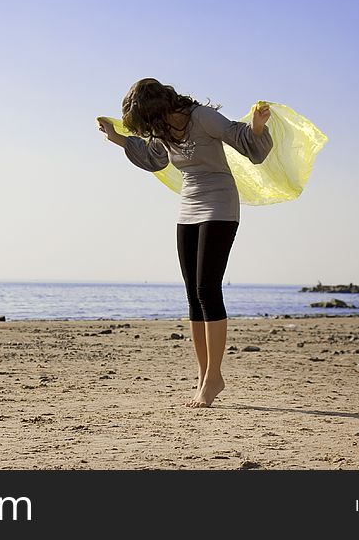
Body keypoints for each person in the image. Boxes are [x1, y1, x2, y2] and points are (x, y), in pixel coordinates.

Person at [97, 78, 273, 408]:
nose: (151, 129)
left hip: (220, 202)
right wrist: (118, 138)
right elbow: (154, 158)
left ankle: (213, 378)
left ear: (159, 108)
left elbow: (242, 138)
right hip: (189, 204)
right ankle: (205, 375)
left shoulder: (203, 117)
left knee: (208, 288)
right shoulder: (162, 130)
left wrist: (259, 127)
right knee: (193, 294)